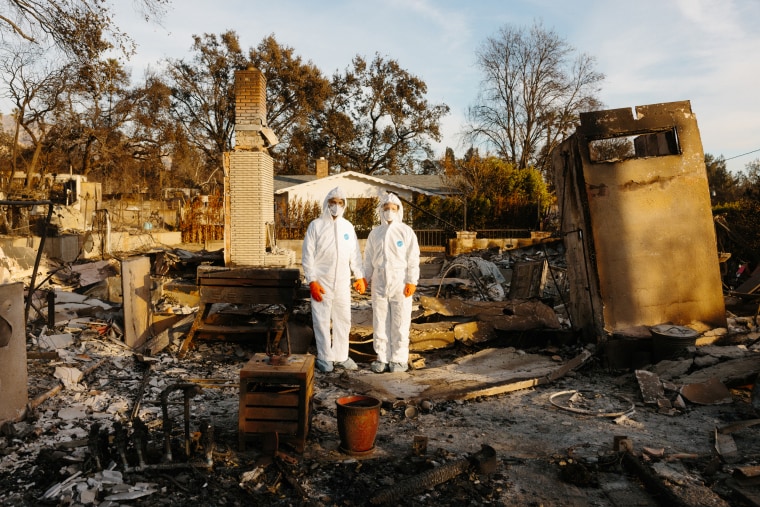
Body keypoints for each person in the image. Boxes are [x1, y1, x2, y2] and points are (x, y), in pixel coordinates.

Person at [302, 186, 366, 373]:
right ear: (327, 204)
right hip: (322, 282)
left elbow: (355, 254)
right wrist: (312, 281)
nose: (336, 206)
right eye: (333, 203)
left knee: (343, 319)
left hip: (343, 283)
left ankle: (341, 355)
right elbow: (308, 256)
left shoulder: (348, 227)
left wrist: (359, 276)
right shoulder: (316, 225)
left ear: (344, 205)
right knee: (321, 320)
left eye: (340, 203)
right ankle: (324, 357)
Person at [363, 193, 420, 373]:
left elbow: (413, 258)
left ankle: (399, 359)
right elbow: (368, 258)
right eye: (386, 208)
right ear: (381, 211)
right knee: (380, 321)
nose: (389, 211)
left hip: (400, 281)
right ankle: (382, 358)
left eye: (393, 209)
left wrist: (412, 280)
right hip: (379, 281)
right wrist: (365, 277)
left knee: (400, 321)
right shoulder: (375, 233)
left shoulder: (406, 231)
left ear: (398, 211)